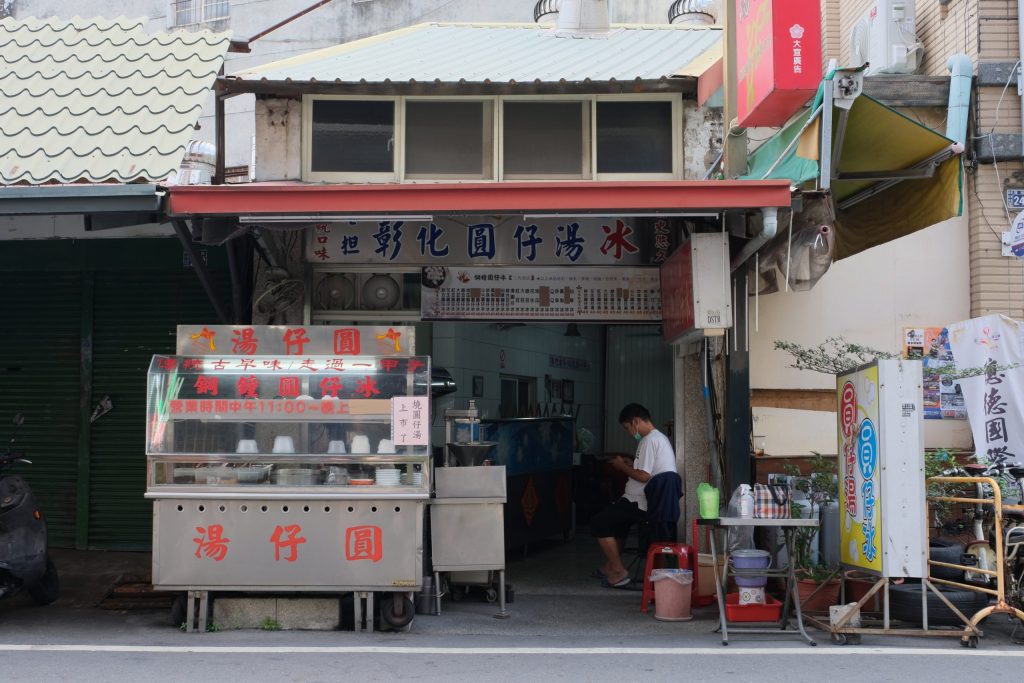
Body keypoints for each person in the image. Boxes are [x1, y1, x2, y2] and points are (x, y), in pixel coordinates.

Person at [592, 403, 677, 588]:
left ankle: (618, 571)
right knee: (619, 524)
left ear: (636, 421)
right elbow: (648, 471)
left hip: (640, 502)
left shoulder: (649, 440)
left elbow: (644, 476)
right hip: (645, 501)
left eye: (627, 428)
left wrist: (622, 466)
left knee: (600, 522)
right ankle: (610, 566)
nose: (629, 433)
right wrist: (631, 464)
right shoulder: (659, 439)